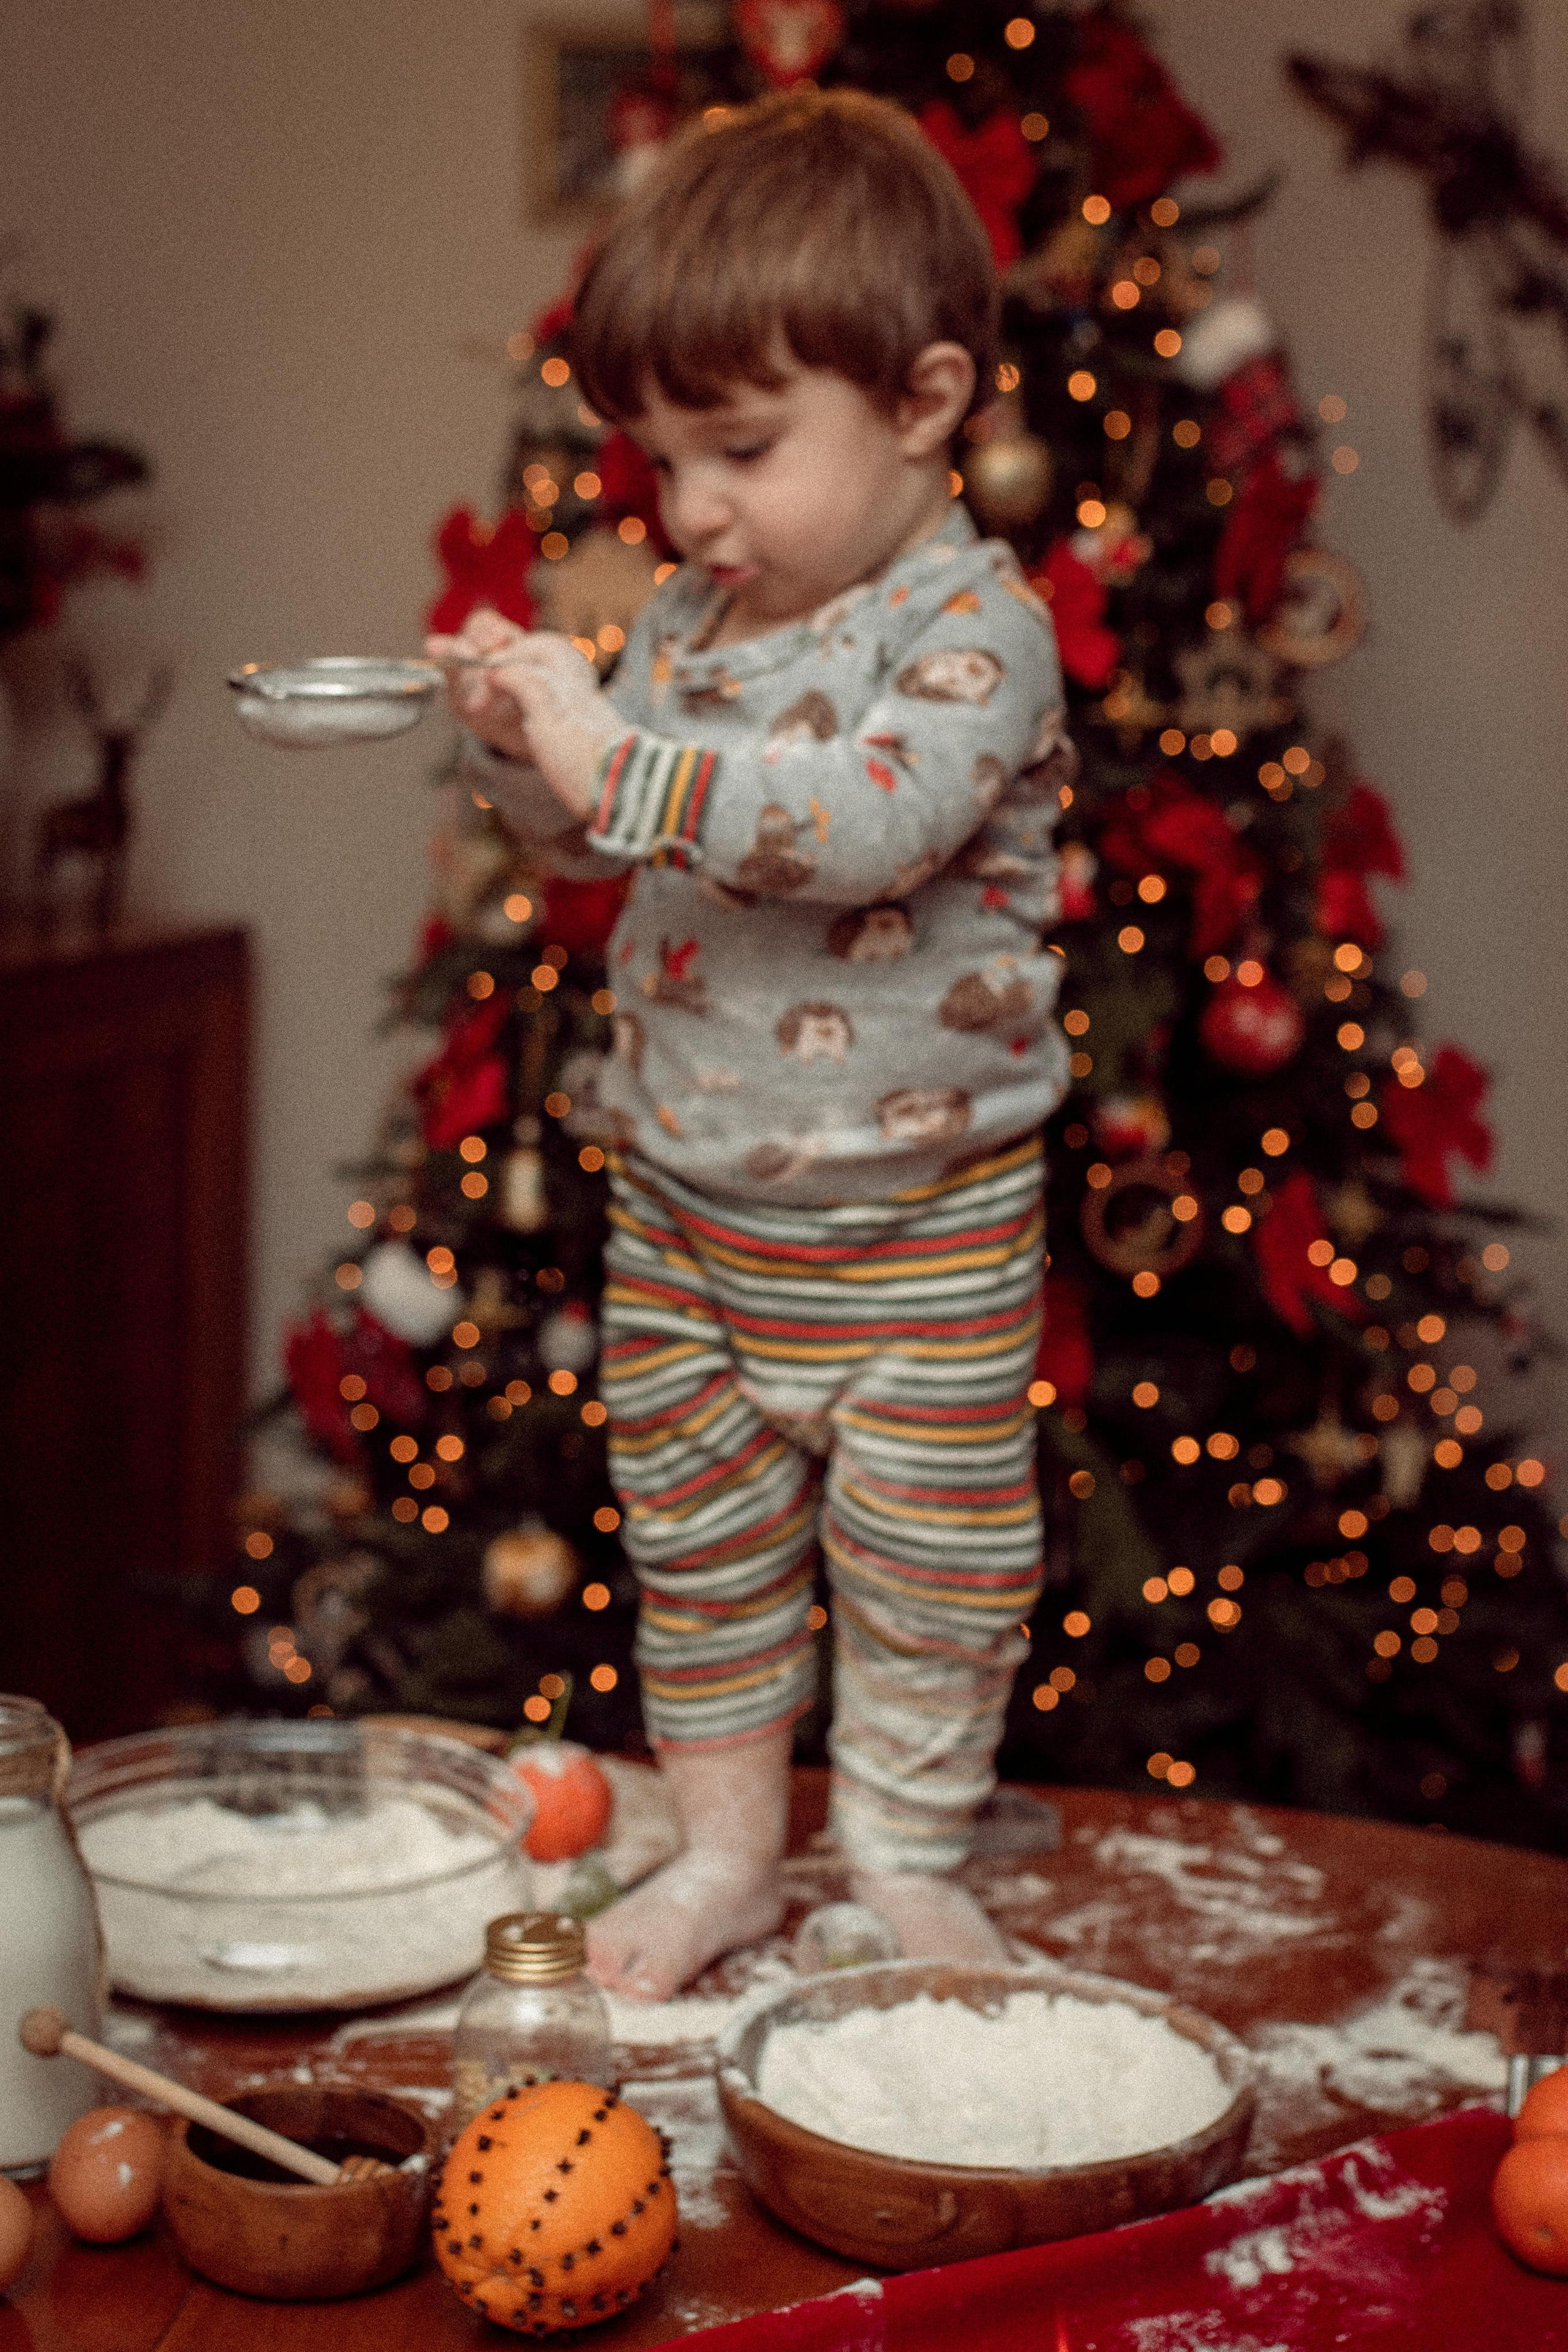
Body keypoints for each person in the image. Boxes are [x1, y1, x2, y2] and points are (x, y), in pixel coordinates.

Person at [429, 87, 1070, 2000]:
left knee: (930, 1571)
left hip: (926, 1221)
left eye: (740, 447)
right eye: (661, 456)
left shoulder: (977, 626)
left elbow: (855, 819)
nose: (688, 508)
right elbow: (577, 828)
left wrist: (608, 750)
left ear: (927, 401)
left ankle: (899, 1852)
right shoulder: (696, 615)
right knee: (699, 1549)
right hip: (690, 1206)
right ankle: (725, 1853)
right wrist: (512, 726)